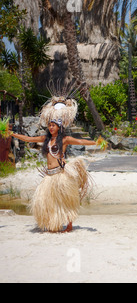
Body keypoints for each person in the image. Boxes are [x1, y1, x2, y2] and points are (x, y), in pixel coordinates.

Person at [10, 82, 99, 232]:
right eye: (49, 125)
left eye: (53, 125)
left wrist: (96, 142)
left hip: (60, 174)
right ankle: (53, 223)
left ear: (59, 127)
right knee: (46, 201)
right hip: (49, 176)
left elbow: (80, 141)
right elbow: (28, 139)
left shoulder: (64, 139)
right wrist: (12, 134)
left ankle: (69, 225)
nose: (51, 127)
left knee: (65, 200)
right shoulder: (45, 139)